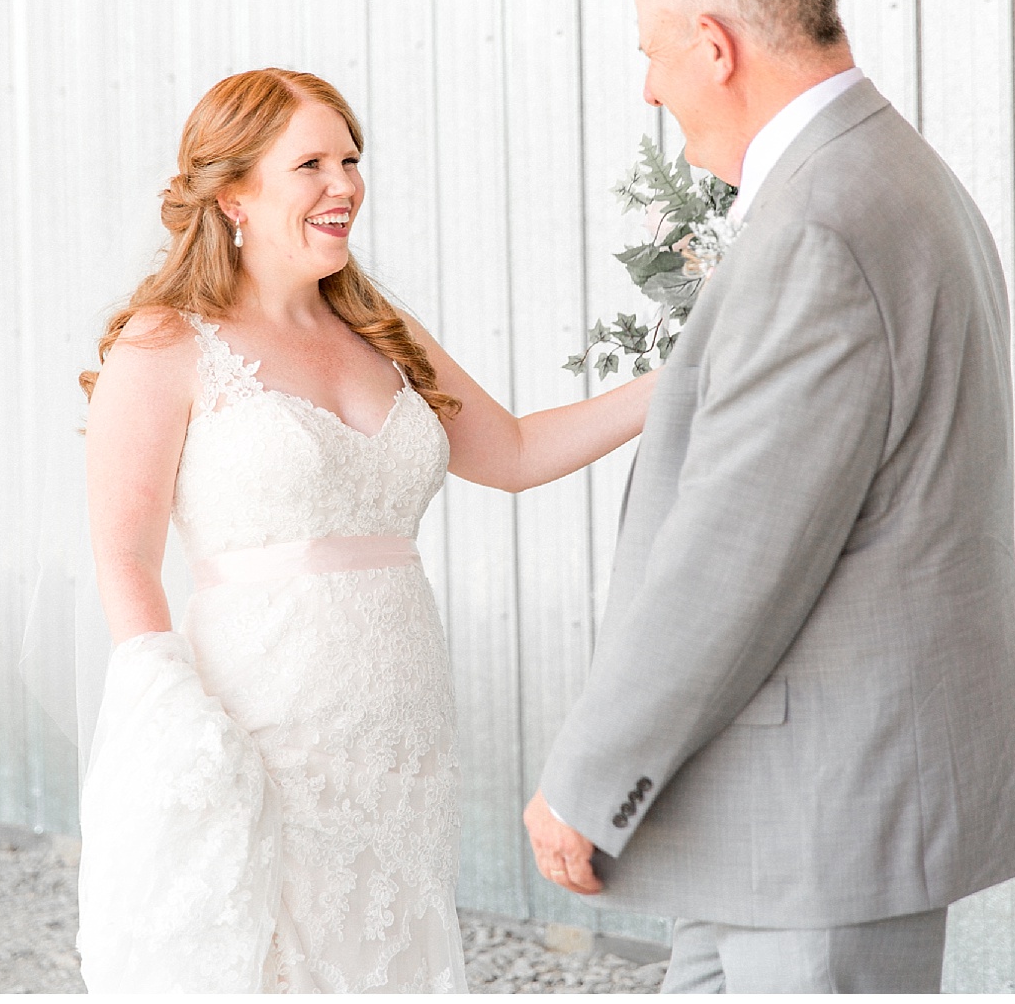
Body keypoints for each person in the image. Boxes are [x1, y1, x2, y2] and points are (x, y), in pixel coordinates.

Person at [523, 0, 1015, 993]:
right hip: (781, 816)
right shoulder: (882, 174)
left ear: (714, 46)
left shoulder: (823, 219)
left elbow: (737, 552)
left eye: (651, 55)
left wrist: (588, 780)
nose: (648, 90)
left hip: (819, 817)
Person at [73, 68, 655, 993]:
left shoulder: (383, 330)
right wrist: (171, 716)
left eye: (350, 158)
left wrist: (681, 383)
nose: (343, 184)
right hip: (260, 720)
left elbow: (508, 451)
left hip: (402, 728)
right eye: (310, 163)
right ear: (235, 193)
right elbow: (124, 551)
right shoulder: (168, 342)